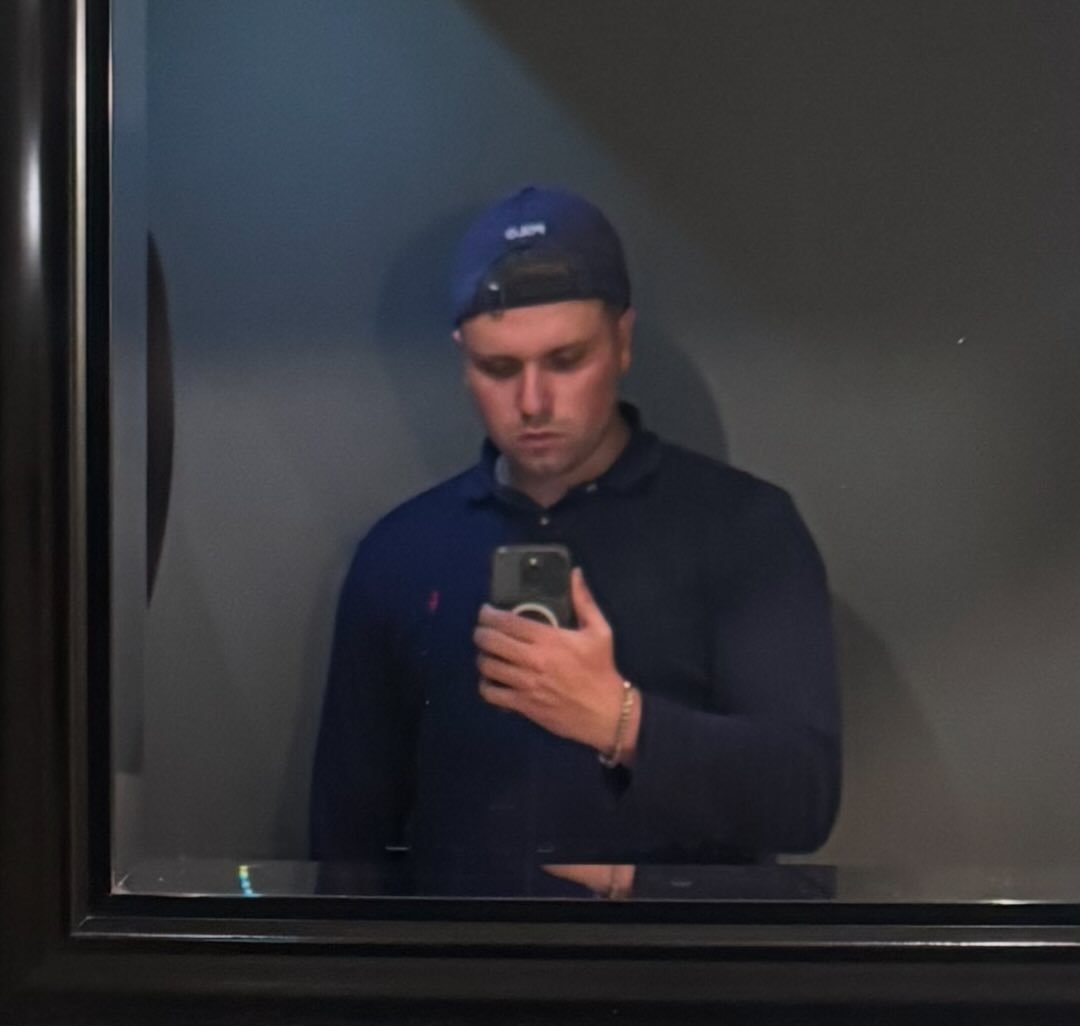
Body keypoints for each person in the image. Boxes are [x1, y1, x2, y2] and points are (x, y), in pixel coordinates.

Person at [309, 186, 841, 889]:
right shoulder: (402, 553)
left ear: (622, 341)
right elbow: (346, 842)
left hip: (676, 955)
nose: (533, 402)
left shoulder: (743, 529)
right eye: (500, 368)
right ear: (463, 360)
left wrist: (619, 720)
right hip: (455, 957)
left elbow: (802, 800)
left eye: (565, 360)